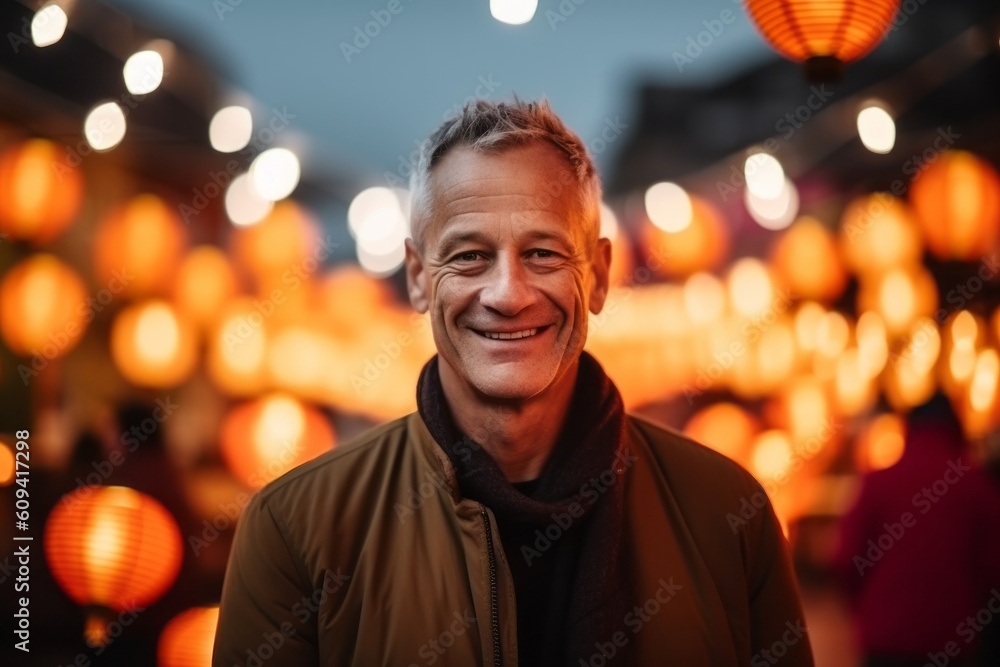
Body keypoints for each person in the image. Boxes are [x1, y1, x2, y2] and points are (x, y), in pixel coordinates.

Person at [213, 98, 814, 666]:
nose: (508, 294)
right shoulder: (295, 529)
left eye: (544, 254)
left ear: (599, 275)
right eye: (470, 256)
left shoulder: (726, 513)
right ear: (420, 278)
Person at [833, 393, 1000, 667]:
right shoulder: (976, 486)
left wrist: (865, 609)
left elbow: (846, 557)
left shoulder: (879, 482)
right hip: (952, 639)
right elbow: (993, 567)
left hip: (885, 640)